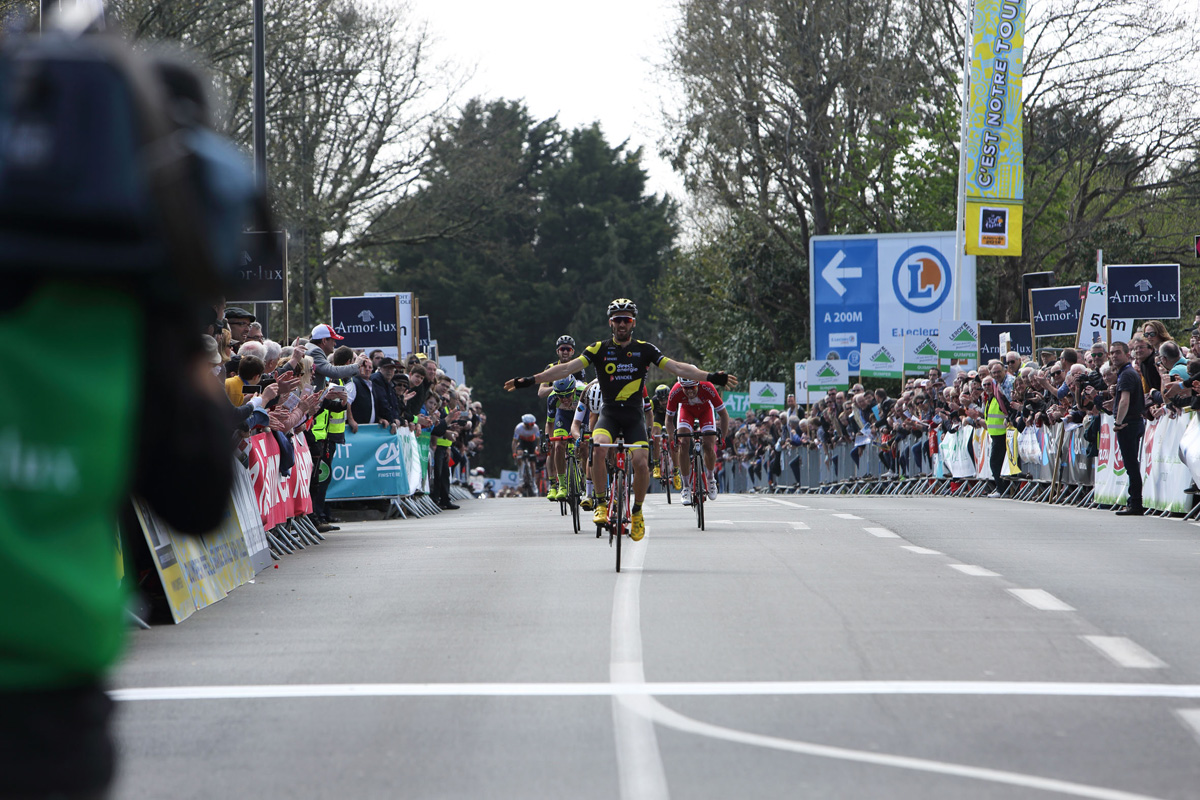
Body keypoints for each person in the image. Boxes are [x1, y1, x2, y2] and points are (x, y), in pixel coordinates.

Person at [505, 298, 738, 542]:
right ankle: (602, 503)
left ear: (633, 322)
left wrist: (710, 377)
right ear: (611, 323)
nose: (622, 324)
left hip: (634, 415)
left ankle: (636, 512)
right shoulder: (598, 349)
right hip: (609, 414)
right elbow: (565, 369)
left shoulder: (645, 349)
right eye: (618, 320)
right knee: (597, 448)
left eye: (626, 320)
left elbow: (679, 368)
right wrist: (530, 380)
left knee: (640, 461)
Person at [665, 378, 731, 504]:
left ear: (698, 384)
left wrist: (722, 437)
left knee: (708, 445)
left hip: (705, 411)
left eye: (693, 388)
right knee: (683, 443)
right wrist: (673, 438)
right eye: (686, 389)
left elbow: (724, 414)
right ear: (681, 386)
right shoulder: (675, 391)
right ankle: (685, 487)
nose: (689, 392)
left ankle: (711, 478)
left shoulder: (707, 387)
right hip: (686, 411)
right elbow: (669, 420)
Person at [538, 335, 585, 500]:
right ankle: (554, 484)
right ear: (557, 351)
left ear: (572, 351)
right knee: (554, 446)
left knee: (583, 444)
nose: (565, 352)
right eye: (562, 349)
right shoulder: (550, 367)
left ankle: (582, 475)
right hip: (558, 407)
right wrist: (558, 391)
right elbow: (541, 392)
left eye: (569, 349)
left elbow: (581, 389)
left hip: (576, 407)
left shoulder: (578, 366)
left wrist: (566, 391)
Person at [1109, 341, 1146, 516]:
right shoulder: (1125, 373)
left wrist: (1118, 422)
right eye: (1112, 353)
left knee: (1131, 465)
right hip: (1131, 422)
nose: (1114, 356)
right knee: (1131, 464)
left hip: (1128, 423)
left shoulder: (1127, 374)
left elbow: (1125, 400)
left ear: (1127, 354)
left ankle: (1135, 503)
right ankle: (1134, 501)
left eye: (1117, 352)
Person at [545, 377, 584, 501]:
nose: (565, 399)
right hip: (563, 417)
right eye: (561, 397)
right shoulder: (551, 398)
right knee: (558, 446)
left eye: (568, 395)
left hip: (582, 415)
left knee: (585, 444)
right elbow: (550, 423)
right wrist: (549, 440)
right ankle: (562, 485)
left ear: (574, 390)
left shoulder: (583, 391)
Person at [982, 376, 1010, 498]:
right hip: (994, 435)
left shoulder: (998, 397)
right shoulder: (989, 399)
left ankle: (1001, 489)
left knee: (995, 462)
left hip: (1002, 435)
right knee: (997, 463)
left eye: (989, 384)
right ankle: (1002, 488)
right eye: (985, 385)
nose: (987, 387)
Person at [650, 384, 670, 480]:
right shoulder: (653, 402)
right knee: (655, 436)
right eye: (661, 400)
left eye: (666, 399)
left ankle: (676, 470)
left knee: (675, 437)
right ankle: (656, 465)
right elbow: (648, 415)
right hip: (659, 417)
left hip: (671, 417)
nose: (664, 402)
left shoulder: (673, 399)